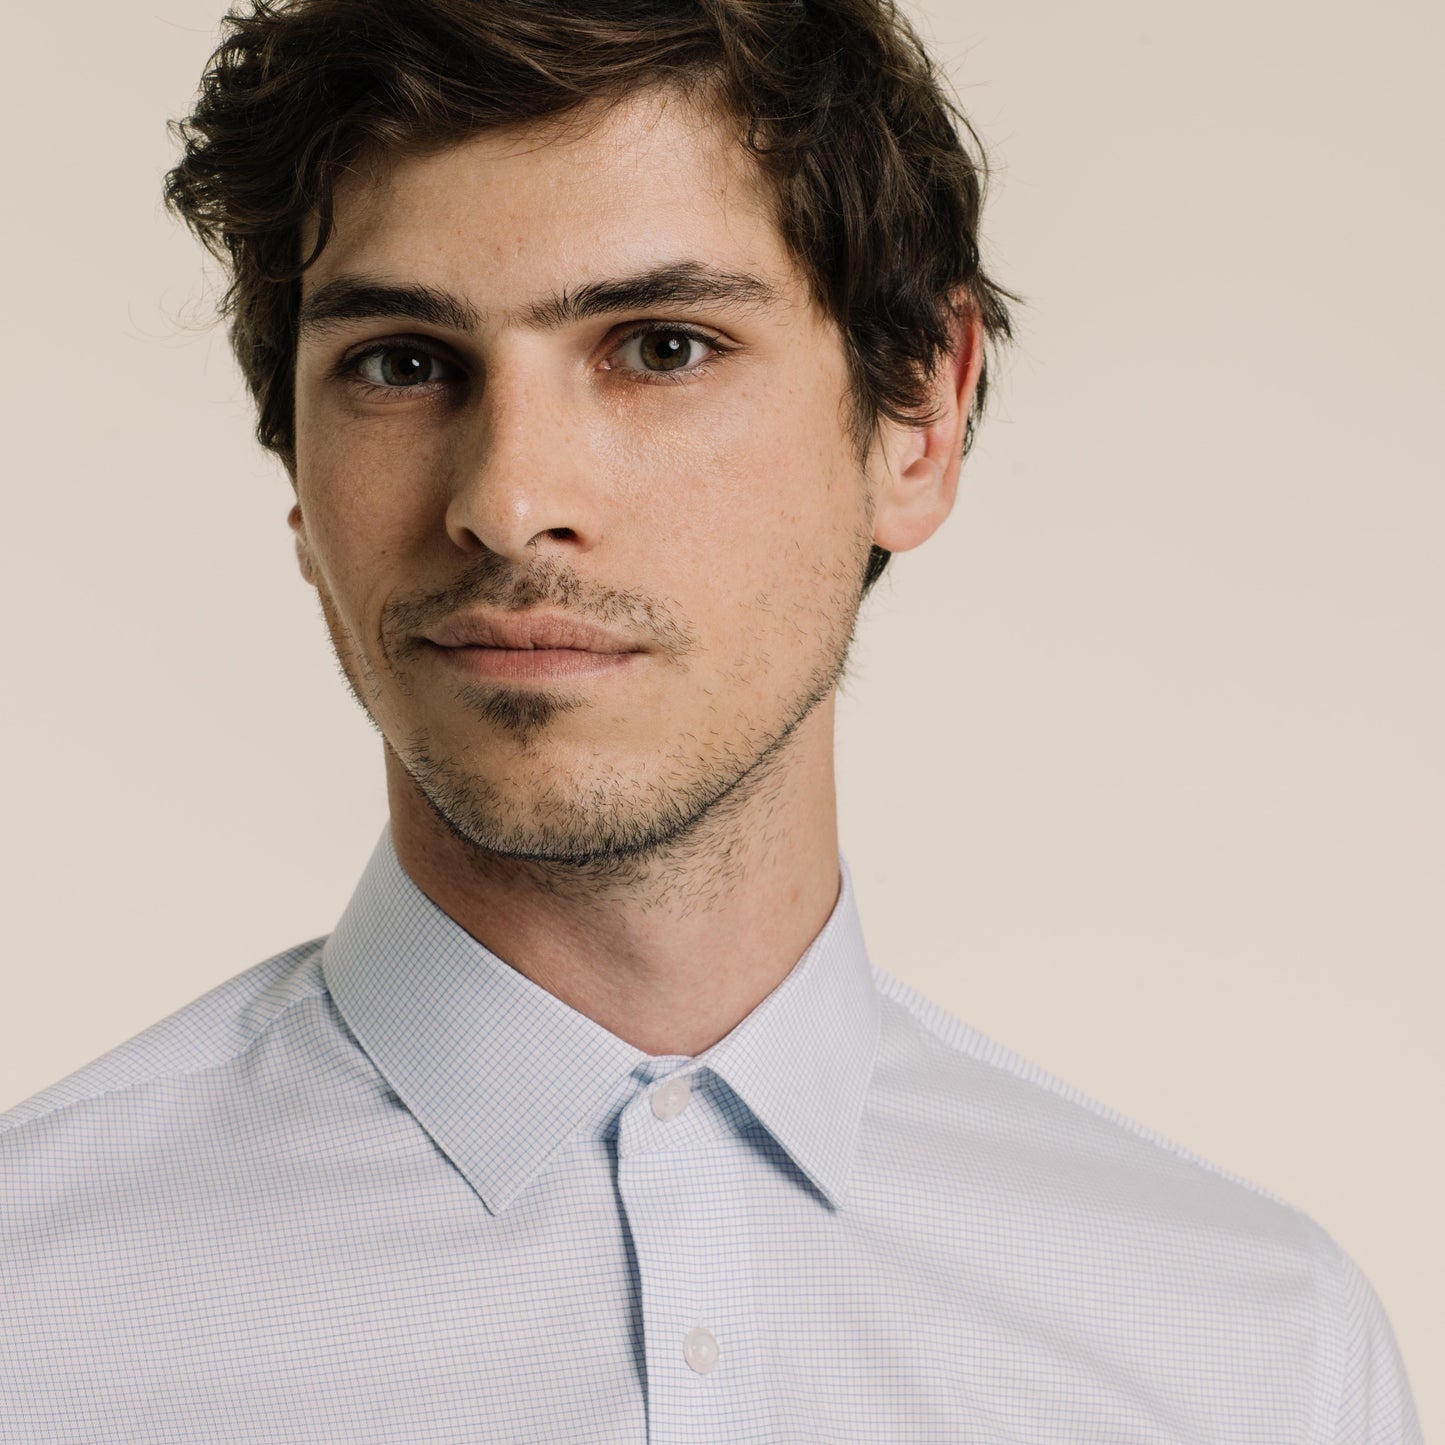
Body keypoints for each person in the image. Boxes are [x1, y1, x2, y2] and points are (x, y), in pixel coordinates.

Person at [0, 0, 1422, 1438]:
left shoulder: (1249, 1356)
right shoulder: (32, 1313)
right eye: (401, 362)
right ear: (298, 474)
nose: (508, 501)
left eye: (663, 347)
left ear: (919, 419)